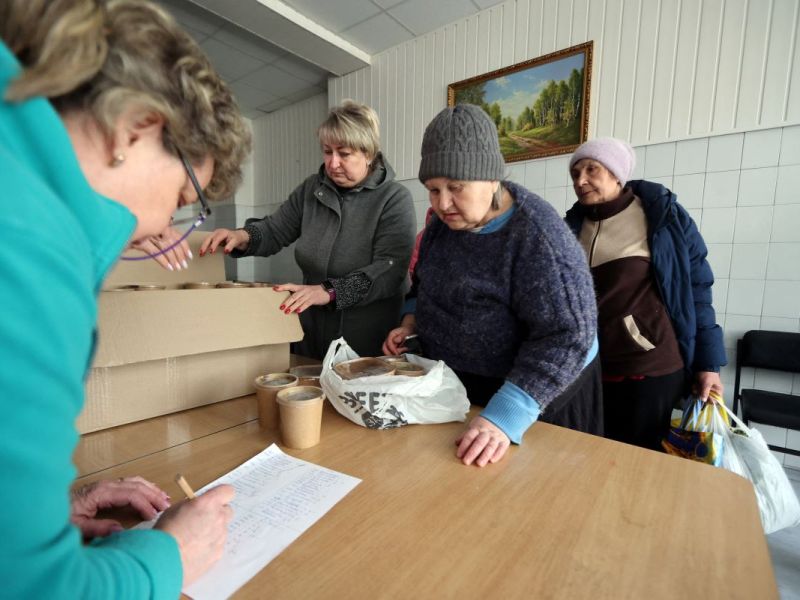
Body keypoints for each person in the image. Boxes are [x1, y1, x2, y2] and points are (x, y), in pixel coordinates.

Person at [0, 0, 251, 597]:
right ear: (135, 126)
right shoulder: (31, 241)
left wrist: (52, 507)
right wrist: (169, 557)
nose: (168, 223)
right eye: (185, 194)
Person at [383, 104, 602, 468]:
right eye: (433, 189)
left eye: (455, 187)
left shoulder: (539, 237)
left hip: (539, 390)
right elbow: (423, 285)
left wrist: (506, 415)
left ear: (491, 179)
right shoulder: (442, 225)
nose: (442, 203)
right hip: (468, 382)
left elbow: (569, 335)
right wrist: (410, 325)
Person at [200, 101, 416, 360]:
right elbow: (275, 228)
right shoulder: (312, 189)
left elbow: (388, 271)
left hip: (365, 337)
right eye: (327, 152)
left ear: (368, 153)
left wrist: (329, 291)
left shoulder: (394, 198)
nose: (333, 163)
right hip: (311, 328)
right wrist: (242, 236)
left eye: (344, 154)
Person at [564, 137, 727, 451]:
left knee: (637, 462)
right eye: (575, 174)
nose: (580, 180)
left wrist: (709, 364)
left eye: (591, 169)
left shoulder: (662, 217)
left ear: (616, 174)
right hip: (589, 367)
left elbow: (697, 291)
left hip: (648, 366)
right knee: (589, 455)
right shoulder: (571, 226)